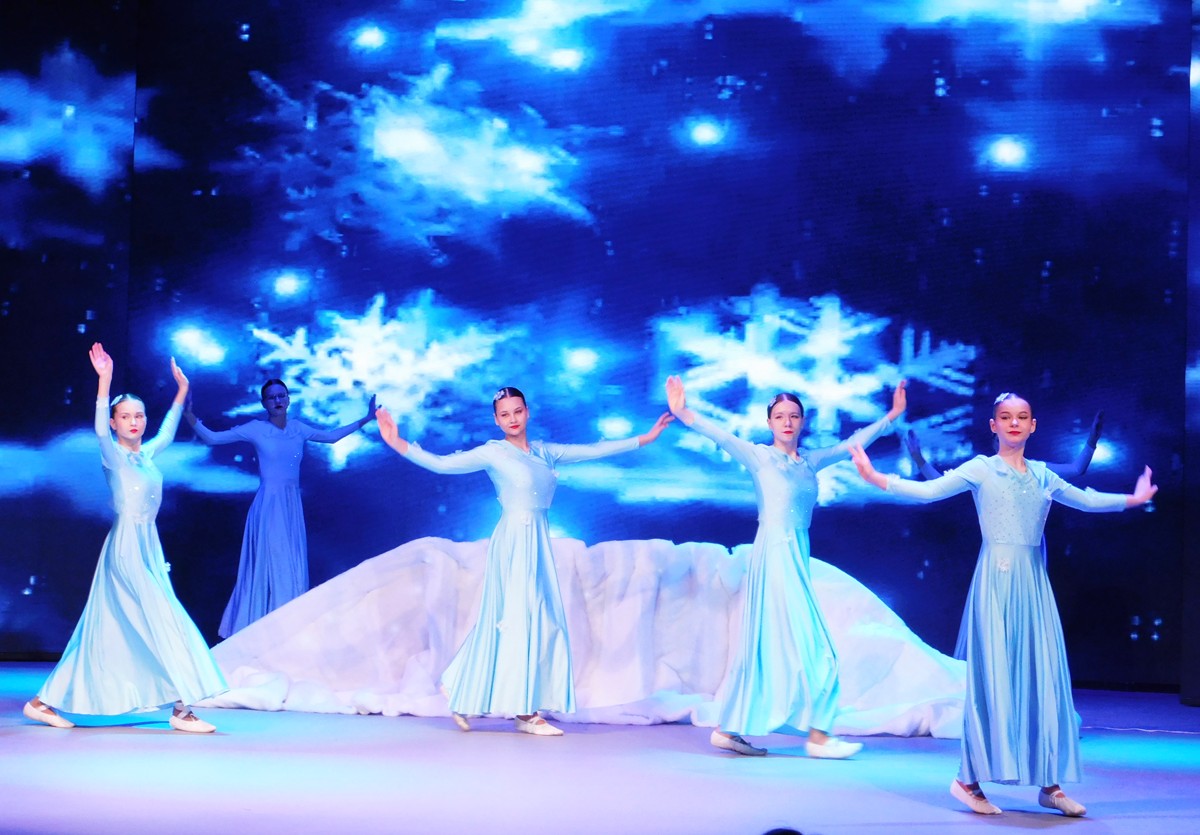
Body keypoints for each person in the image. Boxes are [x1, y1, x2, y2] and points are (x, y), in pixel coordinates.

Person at [849, 392, 1157, 817]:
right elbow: (928, 491)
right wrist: (875, 477)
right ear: (993, 426)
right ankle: (967, 780)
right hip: (995, 583)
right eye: (1006, 417)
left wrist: (1131, 500)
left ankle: (1049, 784)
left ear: (1033, 426)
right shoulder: (981, 468)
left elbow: (1085, 499)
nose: (1014, 422)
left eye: (1023, 417)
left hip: (1033, 586)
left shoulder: (1043, 475)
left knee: (1040, 678)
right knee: (994, 682)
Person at [375, 387, 673, 736]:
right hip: (514, 540)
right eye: (505, 414)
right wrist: (397, 442)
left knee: (539, 620)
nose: (512, 419)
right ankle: (522, 710)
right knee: (517, 619)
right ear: (496, 420)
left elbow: (595, 450)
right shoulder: (493, 452)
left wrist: (646, 438)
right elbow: (441, 465)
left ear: (527, 412)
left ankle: (469, 688)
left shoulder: (546, 452)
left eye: (517, 411)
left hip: (538, 540)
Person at [665, 375, 907, 758]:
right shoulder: (760, 456)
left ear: (802, 421)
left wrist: (891, 416)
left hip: (796, 553)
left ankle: (730, 728)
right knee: (818, 649)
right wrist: (682, 412)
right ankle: (818, 737)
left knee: (764, 647)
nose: (787, 422)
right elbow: (721, 436)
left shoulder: (810, 461)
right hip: (775, 555)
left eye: (794, 415)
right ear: (769, 422)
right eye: (779, 416)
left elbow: (852, 444)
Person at [23, 343, 227, 733]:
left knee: (106, 631)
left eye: (139, 415)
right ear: (115, 423)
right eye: (125, 416)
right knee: (166, 617)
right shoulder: (113, 455)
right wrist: (105, 380)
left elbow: (168, 430)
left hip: (148, 546)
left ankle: (41, 702)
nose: (134, 422)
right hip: (125, 548)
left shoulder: (146, 456)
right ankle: (182, 709)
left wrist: (182, 391)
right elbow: (99, 430)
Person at [185, 380, 375, 637]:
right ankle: (263, 628)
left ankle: (290, 626)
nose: (277, 401)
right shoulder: (256, 429)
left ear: (288, 399)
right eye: (272, 397)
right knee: (272, 560)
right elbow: (213, 438)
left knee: (291, 561)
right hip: (269, 505)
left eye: (281, 395)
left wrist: (366, 419)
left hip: (291, 505)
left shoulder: (298, 428)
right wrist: (189, 415)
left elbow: (331, 437)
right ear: (264, 403)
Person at [904, 411, 1104, 480]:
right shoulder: (982, 469)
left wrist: (1092, 440)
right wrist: (919, 459)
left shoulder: (1035, 470)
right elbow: (940, 483)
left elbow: (1076, 469)